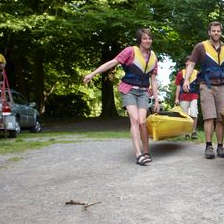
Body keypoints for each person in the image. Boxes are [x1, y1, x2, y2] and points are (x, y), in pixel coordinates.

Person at [83, 28, 160, 166]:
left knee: (143, 121)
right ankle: (138, 154)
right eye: (145, 38)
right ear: (139, 40)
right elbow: (112, 62)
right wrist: (92, 73)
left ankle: (146, 152)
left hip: (143, 92)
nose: (148, 41)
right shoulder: (130, 51)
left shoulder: (153, 57)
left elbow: (153, 80)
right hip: (128, 90)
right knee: (135, 120)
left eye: (149, 38)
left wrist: (156, 99)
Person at [183, 21, 224, 159]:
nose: (216, 33)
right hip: (206, 85)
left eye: (218, 31)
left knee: (221, 119)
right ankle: (209, 146)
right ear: (209, 32)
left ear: (221, 32)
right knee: (209, 117)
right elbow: (191, 64)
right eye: (213, 31)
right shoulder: (200, 47)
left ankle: (220, 146)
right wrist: (187, 79)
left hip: (222, 86)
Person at [174, 56, 199, 140]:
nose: (189, 63)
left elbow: (201, 86)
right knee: (185, 115)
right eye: (188, 61)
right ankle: (186, 132)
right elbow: (178, 87)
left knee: (193, 112)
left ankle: (194, 131)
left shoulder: (197, 73)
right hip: (183, 96)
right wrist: (176, 98)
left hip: (194, 96)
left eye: (191, 61)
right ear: (185, 63)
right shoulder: (181, 73)